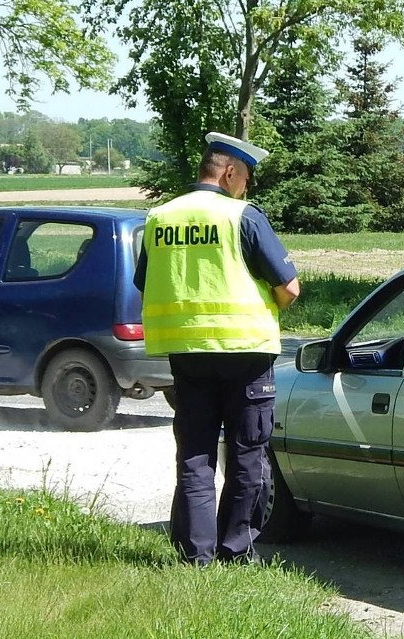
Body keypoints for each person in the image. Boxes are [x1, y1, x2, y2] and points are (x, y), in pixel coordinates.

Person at [133, 131, 300, 566]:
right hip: (246, 352)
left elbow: (143, 282)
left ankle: (196, 556)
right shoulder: (241, 216)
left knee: (195, 454)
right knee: (247, 453)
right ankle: (236, 550)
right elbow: (289, 288)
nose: (245, 187)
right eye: (245, 178)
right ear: (229, 173)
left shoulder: (160, 218)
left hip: (187, 353)